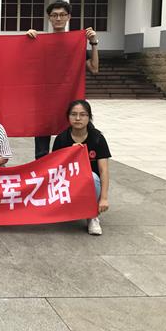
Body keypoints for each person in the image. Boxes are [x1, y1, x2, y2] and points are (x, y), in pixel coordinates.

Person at [26, 0, 99, 160]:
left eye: (62, 15)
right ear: (49, 18)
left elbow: (94, 68)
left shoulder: (76, 42)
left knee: (70, 143)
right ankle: (43, 173)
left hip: (69, 98)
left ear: (68, 17)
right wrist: (26, 41)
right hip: (44, 100)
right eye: (54, 15)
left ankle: (69, 171)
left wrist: (93, 43)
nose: (58, 18)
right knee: (42, 151)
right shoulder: (39, 41)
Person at [52, 99, 110, 235]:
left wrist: (104, 198)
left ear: (89, 117)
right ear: (68, 117)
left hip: (90, 184)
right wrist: (70, 153)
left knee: (93, 176)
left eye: (83, 114)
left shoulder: (97, 138)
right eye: (74, 114)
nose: (78, 118)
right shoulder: (61, 139)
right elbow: (54, 168)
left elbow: (104, 170)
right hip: (67, 182)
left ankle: (92, 216)